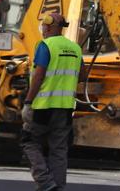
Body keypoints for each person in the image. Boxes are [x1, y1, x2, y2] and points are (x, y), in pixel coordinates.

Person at [21, 13, 82, 191]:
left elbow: (38, 76)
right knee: (59, 149)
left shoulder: (45, 45)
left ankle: (46, 182)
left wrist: (27, 102)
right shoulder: (75, 48)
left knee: (29, 142)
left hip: (43, 107)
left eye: (43, 25)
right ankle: (58, 187)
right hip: (65, 108)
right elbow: (83, 75)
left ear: (48, 26)